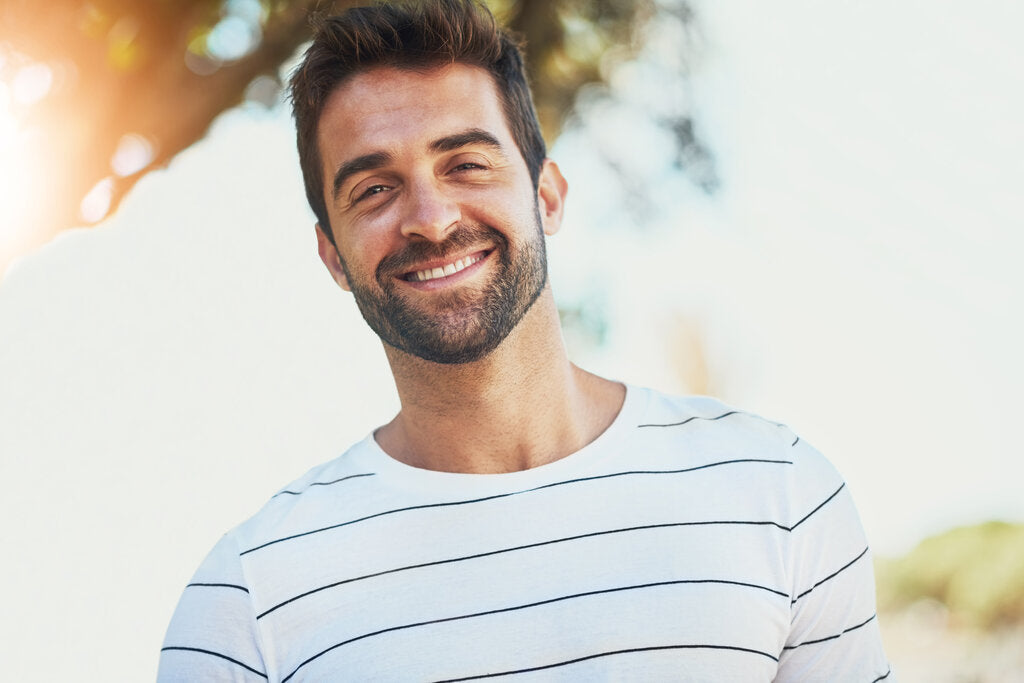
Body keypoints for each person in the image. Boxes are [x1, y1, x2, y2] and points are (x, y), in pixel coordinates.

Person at [158, 1, 893, 680]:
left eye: (466, 164)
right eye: (375, 189)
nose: (432, 218)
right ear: (332, 257)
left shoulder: (778, 493)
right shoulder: (246, 601)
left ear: (547, 195)